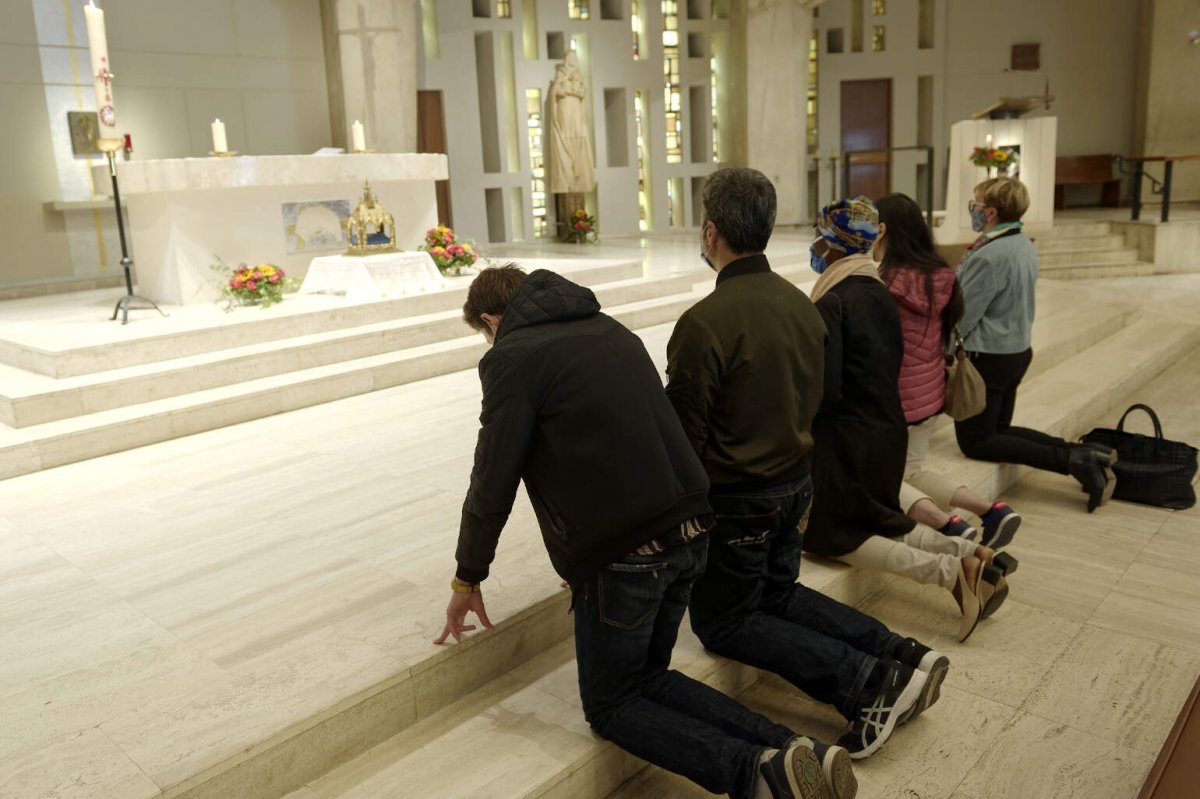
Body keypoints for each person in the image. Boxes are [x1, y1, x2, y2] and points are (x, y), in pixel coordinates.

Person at [435, 263, 853, 799]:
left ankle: (757, 773)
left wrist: (467, 579)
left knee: (613, 703)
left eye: (485, 333)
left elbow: (492, 482)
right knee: (649, 679)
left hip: (631, 552)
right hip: (693, 525)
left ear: (493, 319)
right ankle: (794, 751)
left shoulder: (513, 357)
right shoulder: (611, 329)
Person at [666, 169, 947, 764]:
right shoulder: (804, 305)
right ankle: (901, 654)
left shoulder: (704, 324)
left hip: (741, 498)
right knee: (780, 595)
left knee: (727, 622)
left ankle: (871, 684)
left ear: (711, 231)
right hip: (796, 483)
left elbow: (685, 440)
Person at [801, 197, 1013, 644]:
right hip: (886, 428)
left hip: (848, 439)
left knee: (834, 537)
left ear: (835, 242)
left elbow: (829, 387)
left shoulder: (835, 299)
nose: (815, 245)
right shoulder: (878, 289)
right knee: (880, 517)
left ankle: (953, 572)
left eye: (820, 236)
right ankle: (971, 550)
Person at [954, 178, 1117, 512]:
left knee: (977, 441)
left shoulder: (990, 255)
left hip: (988, 356)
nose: (973, 209)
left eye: (977, 204)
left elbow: (964, 315)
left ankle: (1075, 459)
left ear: (991, 211)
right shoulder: (1022, 243)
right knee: (999, 430)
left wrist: (942, 350)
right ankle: (1087, 453)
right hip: (1015, 350)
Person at [875, 193, 1023, 550]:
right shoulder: (942, 275)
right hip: (930, 394)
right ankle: (991, 510)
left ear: (884, 232)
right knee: (913, 472)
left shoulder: (885, 285)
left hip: (897, 400)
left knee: (875, 476)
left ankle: (949, 526)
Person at [548, 50, 596, 194]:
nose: (573, 60)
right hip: (565, 108)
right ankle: (568, 171)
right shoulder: (561, 73)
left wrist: (574, 88)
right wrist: (565, 83)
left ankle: (578, 169)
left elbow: (582, 92)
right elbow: (557, 91)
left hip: (576, 110)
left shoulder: (579, 75)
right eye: (570, 57)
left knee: (578, 136)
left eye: (575, 58)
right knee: (566, 135)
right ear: (566, 59)